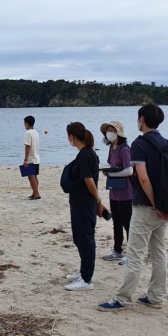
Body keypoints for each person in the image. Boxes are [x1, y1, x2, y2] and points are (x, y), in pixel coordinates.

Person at [98, 105, 168, 311]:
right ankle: (156, 296)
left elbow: (142, 177)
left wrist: (155, 204)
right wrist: (164, 205)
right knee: (158, 251)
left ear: (142, 119)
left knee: (134, 252)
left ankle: (123, 298)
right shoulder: (167, 144)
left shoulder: (140, 144)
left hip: (145, 205)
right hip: (164, 205)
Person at [61, 123, 107, 291]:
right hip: (80, 202)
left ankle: (86, 280)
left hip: (84, 203)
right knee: (80, 239)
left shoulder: (85, 155)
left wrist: (98, 201)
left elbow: (89, 181)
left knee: (85, 240)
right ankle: (83, 271)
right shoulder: (87, 153)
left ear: (72, 137)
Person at [100, 121, 134, 264]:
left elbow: (129, 170)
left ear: (118, 132)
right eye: (107, 130)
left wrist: (111, 174)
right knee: (116, 222)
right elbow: (111, 164)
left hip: (126, 193)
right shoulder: (112, 148)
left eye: (112, 130)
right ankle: (117, 250)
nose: (109, 133)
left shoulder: (124, 149)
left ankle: (132, 254)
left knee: (127, 223)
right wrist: (106, 170)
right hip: (114, 192)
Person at [23, 116, 41, 200]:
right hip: (36, 158)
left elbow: (28, 146)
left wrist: (25, 159)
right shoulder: (35, 132)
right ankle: (35, 192)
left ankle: (36, 193)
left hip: (31, 159)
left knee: (31, 177)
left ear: (26, 123)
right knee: (34, 176)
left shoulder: (28, 133)